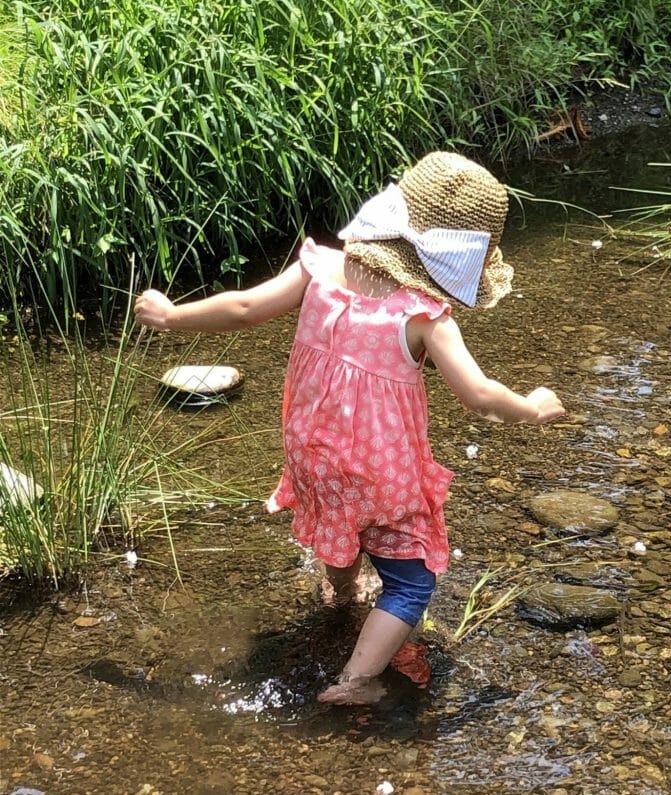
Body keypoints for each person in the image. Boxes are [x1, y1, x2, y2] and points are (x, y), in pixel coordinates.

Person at [134, 151, 565, 705]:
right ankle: (356, 681)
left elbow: (242, 308)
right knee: (411, 584)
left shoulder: (321, 267)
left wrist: (172, 316)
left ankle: (341, 592)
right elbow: (480, 398)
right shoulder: (423, 315)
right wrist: (532, 407)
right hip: (380, 469)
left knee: (339, 516)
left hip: (311, 450)